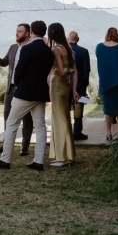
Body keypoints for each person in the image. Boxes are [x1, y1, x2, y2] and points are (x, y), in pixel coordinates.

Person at [0, 20, 54, 171]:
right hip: (40, 93)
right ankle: (38, 161)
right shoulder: (49, 51)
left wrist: (18, 83)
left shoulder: (27, 49)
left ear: (31, 32)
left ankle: (5, 159)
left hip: (25, 92)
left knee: (12, 123)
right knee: (40, 127)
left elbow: (18, 71)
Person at [0, 23, 33, 156]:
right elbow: (4, 62)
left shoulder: (31, 48)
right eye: (16, 31)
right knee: (7, 118)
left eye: (19, 31)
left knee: (27, 119)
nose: (16, 33)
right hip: (11, 88)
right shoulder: (13, 47)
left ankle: (25, 147)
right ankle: (6, 144)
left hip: (24, 89)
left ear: (27, 33)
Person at [48, 23, 77, 167]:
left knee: (59, 118)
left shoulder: (55, 49)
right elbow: (75, 71)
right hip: (65, 87)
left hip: (57, 83)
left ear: (52, 32)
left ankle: (63, 157)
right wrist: (73, 88)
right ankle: (66, 154)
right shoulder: (68, 48)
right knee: (64, 116)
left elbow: (60, 70)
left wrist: (66, 80)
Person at [68, 31, 90, 140]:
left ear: (68, 39)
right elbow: (86, 70)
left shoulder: (64, 50)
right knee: (79, 108)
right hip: (80, 84)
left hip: (66, 84)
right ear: (78, 39)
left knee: (66, 108)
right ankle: (77, 132)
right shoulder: (84, 51)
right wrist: (85, 84)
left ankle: (66, 131)